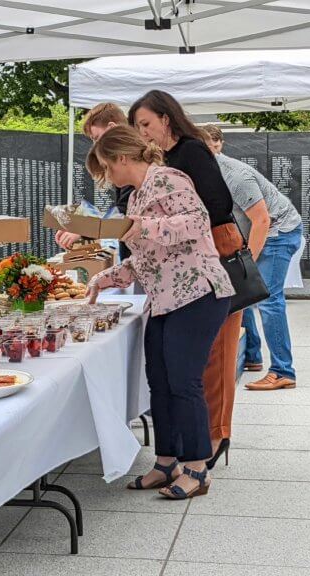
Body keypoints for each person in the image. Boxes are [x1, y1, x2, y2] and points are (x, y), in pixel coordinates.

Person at [86, 125, 234, 499]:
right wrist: (105, 278)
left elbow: (198, 222)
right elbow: (144, 257)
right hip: (165, 297)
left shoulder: (168, 178)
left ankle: (197, 469)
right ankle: (166, 462)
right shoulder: (136, 197)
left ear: (122, 157)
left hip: (198, 291)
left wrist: (144, 225)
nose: (107, 176)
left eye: (107, 166)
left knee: (184, 380)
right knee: (160, 381)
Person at [128, 90, 242, 469]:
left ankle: (211, 439)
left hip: (204, 267)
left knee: (207, 364)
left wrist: (164, 229)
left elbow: (215, 206)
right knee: (175, 371)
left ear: (166, 117)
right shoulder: (156, 162)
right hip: (171, 275)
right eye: (137, 128)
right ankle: (179, 453)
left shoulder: (190, 151)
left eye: (146, 124)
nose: (143, 133)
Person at [204, 124, 303, 391]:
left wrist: (247, 263)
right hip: (256, 232)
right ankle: (252, 356)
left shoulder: (235, 175)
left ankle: (283, 371)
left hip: (278, 232)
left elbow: (261, 219)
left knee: (268, 299)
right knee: (242, 293)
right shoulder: (206, 174)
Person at [56, 102, 134, 261]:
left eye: (97, 138)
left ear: (112, 128)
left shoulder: (132, 161)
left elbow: (125, 212)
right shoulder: (127, 159)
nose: (96, 146)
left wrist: (83, 228)